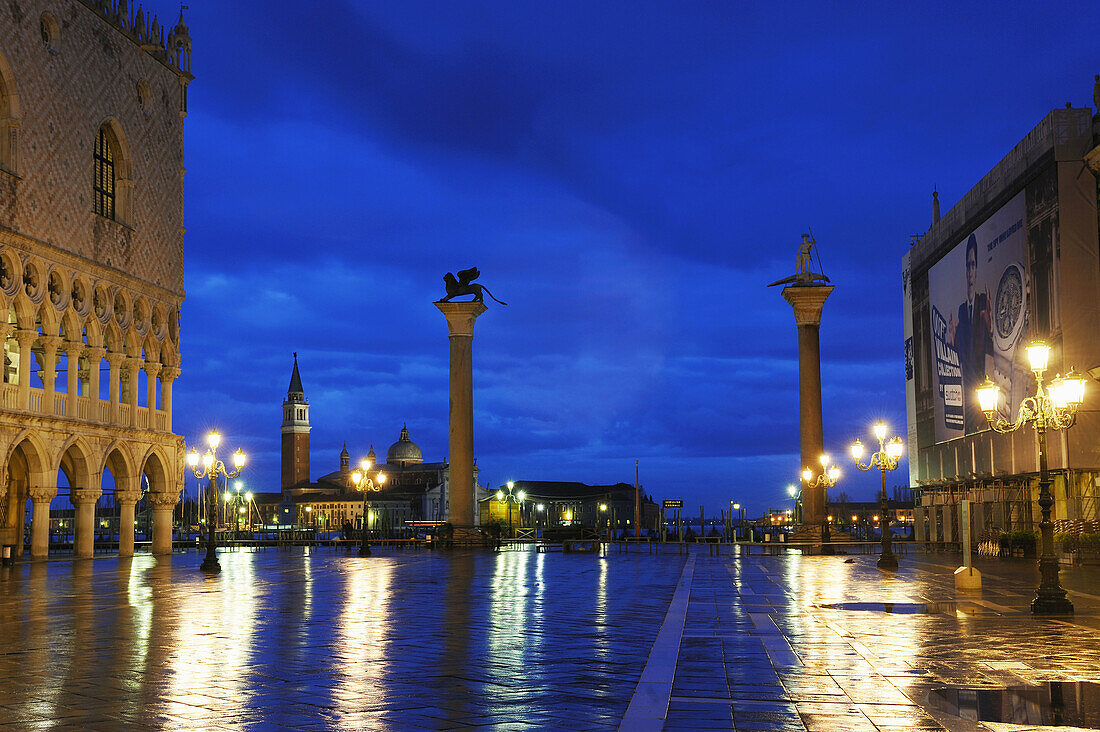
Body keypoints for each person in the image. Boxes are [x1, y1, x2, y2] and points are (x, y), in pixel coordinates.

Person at [949, 233, 994, 433]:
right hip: (966, 391)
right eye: (967, 266)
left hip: (984, 390)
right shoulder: (961, 310)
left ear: (977, 269)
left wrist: (991, 330)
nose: (970, 272)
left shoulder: (983, 303)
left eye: (973, 265)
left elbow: (990, 349)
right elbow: (962, 353)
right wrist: (953, 341)